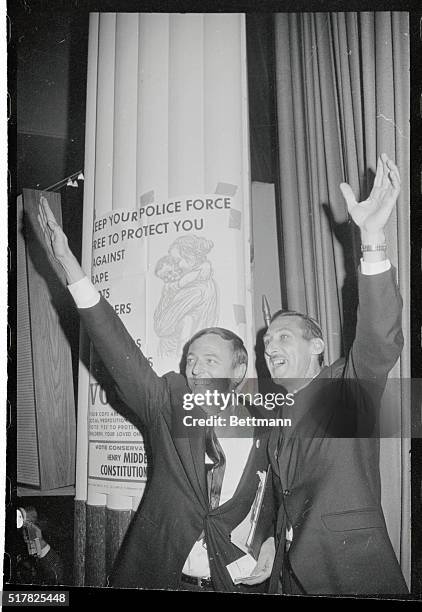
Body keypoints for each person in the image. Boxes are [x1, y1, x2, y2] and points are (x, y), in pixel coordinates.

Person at [37, 200, 274, 592]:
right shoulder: (168, 399)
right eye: (191, 359)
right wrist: (70, 267)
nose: (195, 368)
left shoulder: (263, 426)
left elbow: (268, 497)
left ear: (238, 370)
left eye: (209, 360)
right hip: (163, 579)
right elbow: (117, 347)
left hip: (233, 581)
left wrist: (267, 539)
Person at [261, 153, 408, 595]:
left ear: (318, 347)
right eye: (266, 344)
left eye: (284, 337)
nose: (270, 348)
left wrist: (373, 237)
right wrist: (270, 541)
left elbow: (381, 336)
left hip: (351, 575)